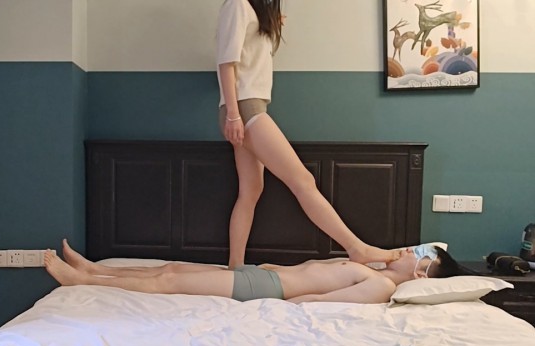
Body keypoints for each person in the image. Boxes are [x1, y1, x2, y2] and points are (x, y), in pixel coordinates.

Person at [215, 0, 396, 268]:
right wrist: (233, 114)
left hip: (248, 107)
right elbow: (226, 62)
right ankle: (356, 248)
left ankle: (235, 267)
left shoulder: (252, 10)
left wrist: (270, 22)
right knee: (303, 181)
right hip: (244, 107)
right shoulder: (238, 4)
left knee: (250, 190)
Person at [44, 240, 462, 304]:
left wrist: (275, 300)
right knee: (169, 267)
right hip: (263, 275)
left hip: (263, 288)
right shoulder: (373, 268)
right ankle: (95, 268)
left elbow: (318, 300)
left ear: (422, 273)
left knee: (169, 281)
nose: (407, 250)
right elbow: (314, 270)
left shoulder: (380, 285)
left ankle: (82, 280)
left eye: (418, 253)